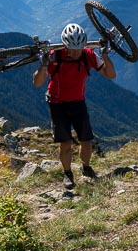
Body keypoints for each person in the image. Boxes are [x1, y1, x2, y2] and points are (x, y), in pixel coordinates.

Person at [33, 23, 116, 189]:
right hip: (57, 103)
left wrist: (105, 54)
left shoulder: (88, 55)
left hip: (78, 102)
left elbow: (110, 74)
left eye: (79, 48)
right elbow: (37, 83)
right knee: (66, 143)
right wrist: (43, 65)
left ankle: (86, 168)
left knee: (86, 140)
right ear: (65, 44)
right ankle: (67, 173)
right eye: (72, 48)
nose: (76, 52)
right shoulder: (54, 56)